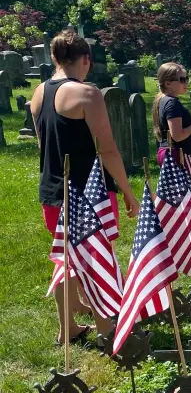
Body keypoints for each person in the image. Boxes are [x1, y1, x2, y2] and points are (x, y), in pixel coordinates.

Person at [31, 29, 139, 346]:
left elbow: (43, 144)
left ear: (54, 59)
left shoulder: (38, 94)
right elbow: (107, 150)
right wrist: (128, 192)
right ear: (86, 60)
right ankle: (107, 330)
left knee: (66, 260)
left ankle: (68, 331)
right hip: (88, 194)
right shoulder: (87, 94)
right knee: (93, 257)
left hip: (51, 191)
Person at [152, 62, 191, 181]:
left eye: (187, 78)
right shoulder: (172, 103)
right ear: (168, 83)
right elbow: (177, 136)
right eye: (182, 79)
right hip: (180, 155)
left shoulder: (163, 100)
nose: (186, 83)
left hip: (169, 153)